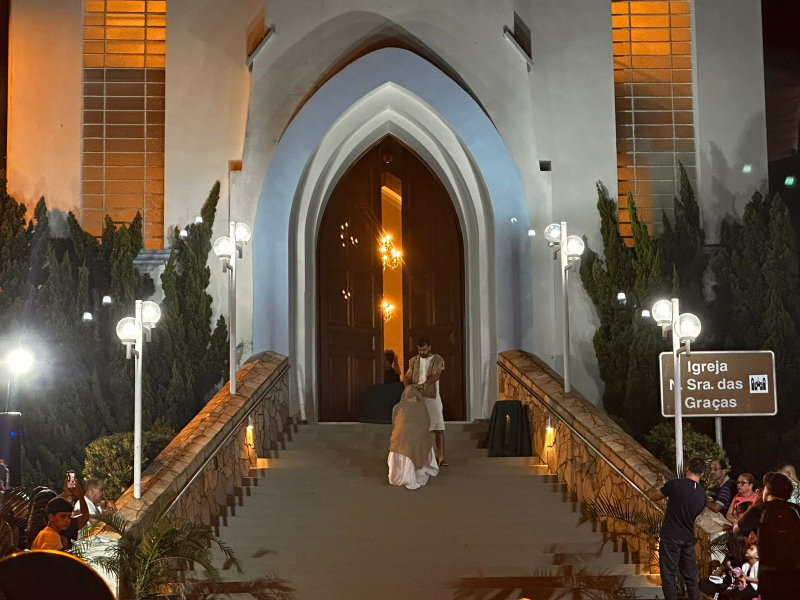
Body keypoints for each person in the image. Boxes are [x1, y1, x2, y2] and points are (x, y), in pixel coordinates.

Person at [647, 457, 708, 600]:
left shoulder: (675, 484)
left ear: (687, 468)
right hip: (688, 539)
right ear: (702, 473)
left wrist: (657, 485)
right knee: (691, 578)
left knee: (668, 575)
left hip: (671, 536)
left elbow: (653, 496)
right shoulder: (703, 496)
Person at [735, 472, 800, 600]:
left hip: (770, 577)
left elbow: (738, 529)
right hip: (795, 576)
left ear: (768, 490)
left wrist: (755, 503)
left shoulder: (761, 509)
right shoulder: (796, 510)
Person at [404, 337, 447, 466]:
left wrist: (425, 385)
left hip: (432, 397)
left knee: (438, 428)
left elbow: (436, 375)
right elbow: (407, 376)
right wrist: (407, 388)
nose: (422, 352)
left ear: (429, 347)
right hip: (417, 397)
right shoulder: (414, 361)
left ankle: (441, 458)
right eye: (419, 350)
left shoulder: (438, 359)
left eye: (424, 349)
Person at [387, 385, 439, 489]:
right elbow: (428, 423)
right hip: (420, 440)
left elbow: (394, 422)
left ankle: (401, 476)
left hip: (401, 440)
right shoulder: (423, 407)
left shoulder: (398, 406)